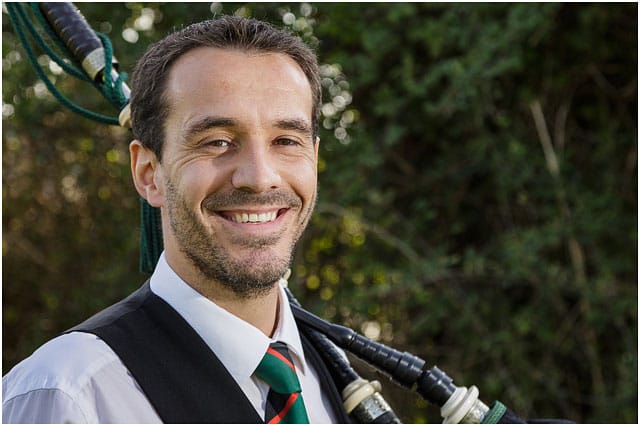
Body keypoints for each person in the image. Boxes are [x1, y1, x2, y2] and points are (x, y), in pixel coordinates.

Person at [2, 15, 352, 423]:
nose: (259, 177)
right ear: (149, 173)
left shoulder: (330, 371)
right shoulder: (68, 395)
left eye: (286, 141)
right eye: (217, 142)